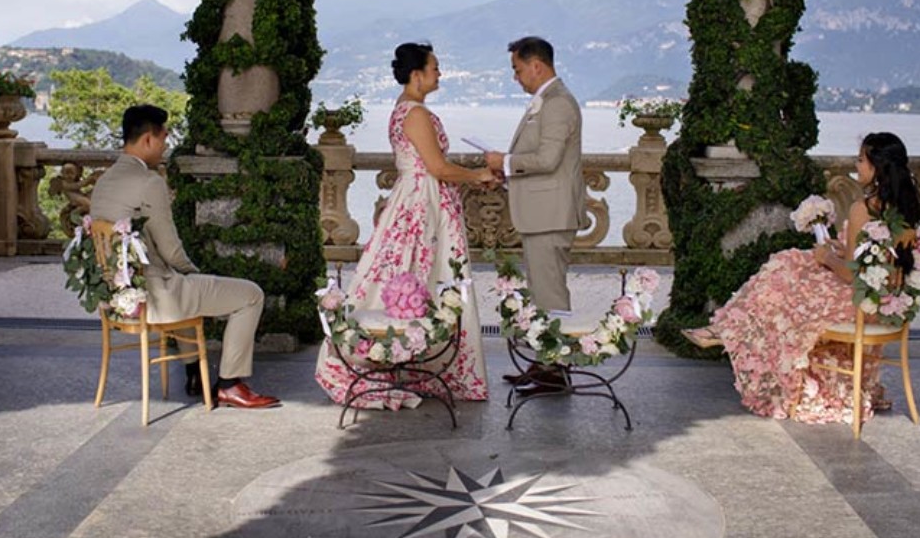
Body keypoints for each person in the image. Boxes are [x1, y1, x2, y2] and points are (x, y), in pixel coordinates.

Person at [683, 132, 920, 424]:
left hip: (859, 304)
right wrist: (839, 249)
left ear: (878, 167)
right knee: (792, 263)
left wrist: (827, 258)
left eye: (861, 160)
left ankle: (726, 329)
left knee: (784, 276)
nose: (856, 166)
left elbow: (852, 274)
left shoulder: (863, 209)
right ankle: (727, 328)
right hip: (886, 304)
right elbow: (873, 260)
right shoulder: (912, 211)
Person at [315, 43, 493, 410]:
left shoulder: (402, 110)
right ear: (417, 75)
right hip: (422, 202)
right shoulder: (416, 115)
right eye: (435, 67)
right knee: (425, 273)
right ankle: (422, 361)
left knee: (411, 274)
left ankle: (413, 358)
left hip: (414, 199)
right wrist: (477, 175)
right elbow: (438, 168)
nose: (439, 74)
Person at [89, 104, 280, 409]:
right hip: (156, 297)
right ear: (148, 139)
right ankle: (230, 384)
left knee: (179, 281)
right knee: (250, 294)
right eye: (164, 137)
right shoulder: (149, 182)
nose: (165, 145)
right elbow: (170, 248)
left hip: (118, 296)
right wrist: (194, 270)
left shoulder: (103, 182)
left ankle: (194, 374)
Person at [483, 36, 587, 394]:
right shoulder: (548, 100)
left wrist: (505, 162)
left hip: (551, 215)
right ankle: (545, 362)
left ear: (536, 65)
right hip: (543, 213)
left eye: (517, 69)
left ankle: (555, 371)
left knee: (551, 295)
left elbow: (548, 160)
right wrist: (507, 173)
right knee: (543, 293)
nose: (515, 77)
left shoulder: (557, 103)